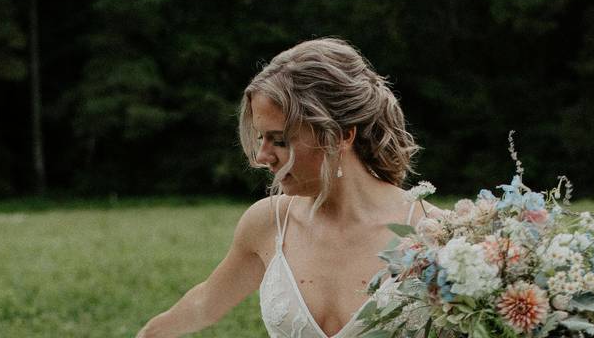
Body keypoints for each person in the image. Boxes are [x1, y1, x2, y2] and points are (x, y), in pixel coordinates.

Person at [135, 37, 441, 338]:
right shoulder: (268, 223)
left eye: (280, 140)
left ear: (341, 136)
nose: (262, 156)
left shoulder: (437, 234)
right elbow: (205, 303)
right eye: (260, 138)